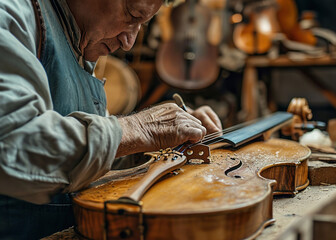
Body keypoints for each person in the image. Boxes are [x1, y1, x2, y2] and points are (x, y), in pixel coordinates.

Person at [0, 0, 222, 239]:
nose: (129, 43)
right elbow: (13, 146)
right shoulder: (11, 14)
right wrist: (139, 128)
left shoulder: (77, 41)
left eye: (142, 25)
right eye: (132, 15)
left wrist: (163, 139)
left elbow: (95, 158)